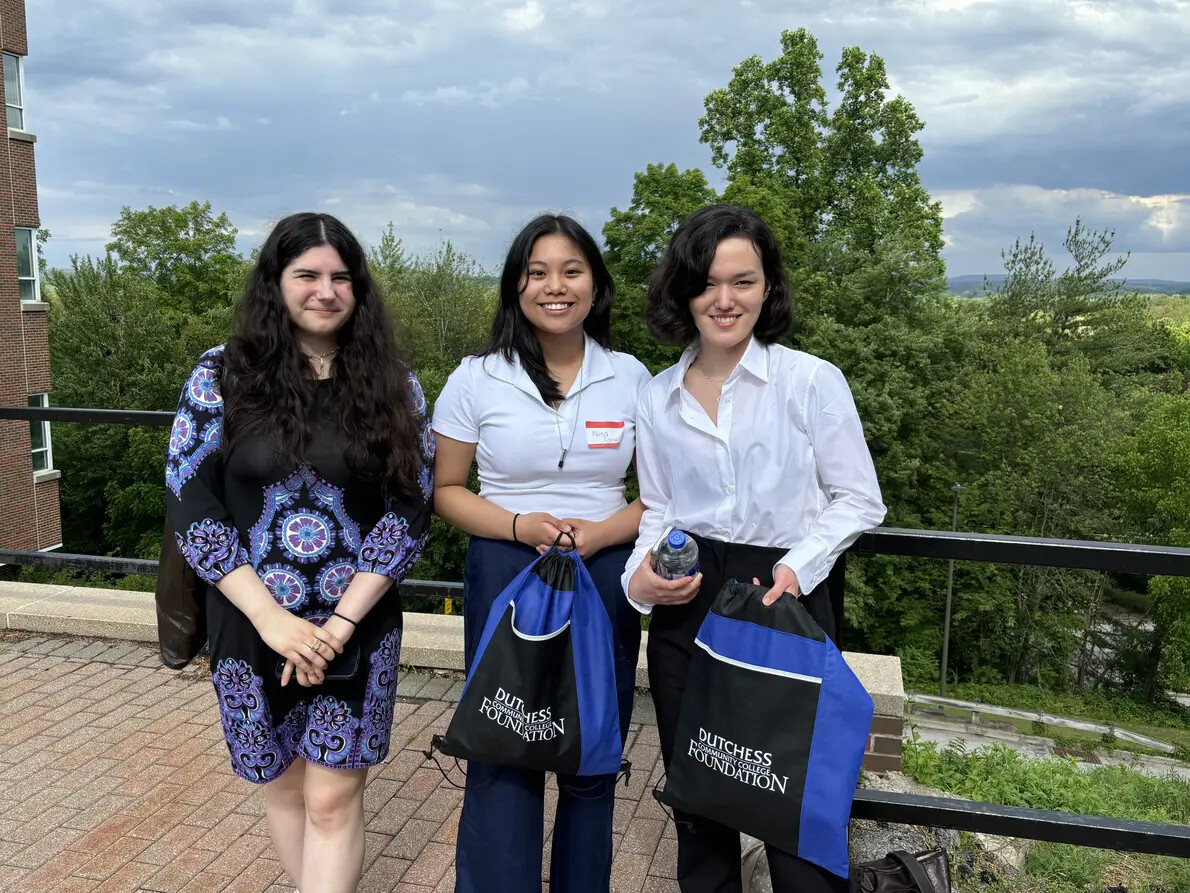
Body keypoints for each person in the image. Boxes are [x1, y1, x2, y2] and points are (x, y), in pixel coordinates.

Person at [165, 212, 433, 893]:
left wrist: (339, 624)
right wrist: (272, 621)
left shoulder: (394, 385)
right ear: (276, 283)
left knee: (332, 798)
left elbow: (411, 508)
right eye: (307, 274)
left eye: (341, 276)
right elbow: (191, 503)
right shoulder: (220, 378)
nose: (326, 290)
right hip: (251, 621)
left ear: (359, 289)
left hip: (358, 624)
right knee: (283, 789)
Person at [622, 204, 886, 893]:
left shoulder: (810, 380)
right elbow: (659, 509)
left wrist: (800, 564)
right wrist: (638, 580)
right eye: (707, 283)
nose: (724, 299)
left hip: (786, 597)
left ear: (768, 288)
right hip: (690, 606)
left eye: (743, 281)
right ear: (684, 292)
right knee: (702, 810)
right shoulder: (656, 396)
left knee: (796, 814)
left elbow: (860, 497)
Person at [432, 213, 651, 893]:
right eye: (537, 272)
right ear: (515, 286)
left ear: (596, 284)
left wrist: (605, 533)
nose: (554, 286)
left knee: (590, 755)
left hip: (603, 573)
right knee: (505, 747)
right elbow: (446, 490)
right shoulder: (477, 378)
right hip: (506, 565)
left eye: (571, 270)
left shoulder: (633, 377)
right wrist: (521, 522)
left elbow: (664, 498)